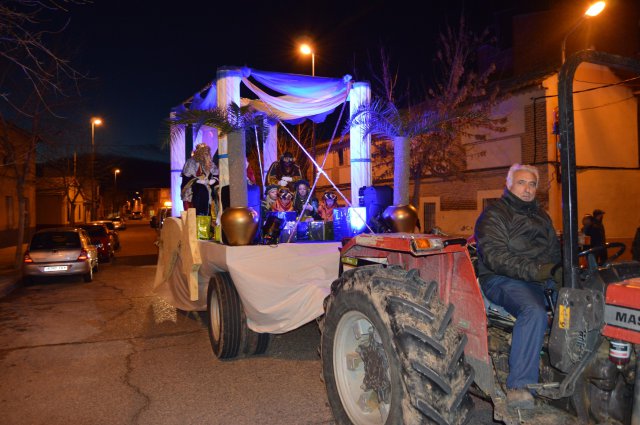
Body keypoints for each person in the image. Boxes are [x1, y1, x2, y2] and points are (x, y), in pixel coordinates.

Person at [474, 163, 561, 410]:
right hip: (501, 279)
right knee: (533, 312)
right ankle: (519, 385)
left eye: (532, 184)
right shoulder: (495, 215)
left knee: (582, 302)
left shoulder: (542, 217)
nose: (527, 189)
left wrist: (564, 274)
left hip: (538, 279)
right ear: (509, 184)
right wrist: (538, 271)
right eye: (521, 182)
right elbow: (495, 257)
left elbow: (553, 253)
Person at [180, 143, 218, 216]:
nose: (207, 154)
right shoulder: (191, 162)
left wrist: (214, 180)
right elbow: (187, 177)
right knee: (201, 190)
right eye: (204, 152)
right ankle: (199, 215)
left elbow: (216, 174)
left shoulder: (210, 163)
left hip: (209, 188)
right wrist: (197, 180)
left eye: (207, 152)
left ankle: (210, 218)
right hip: (192, 189)